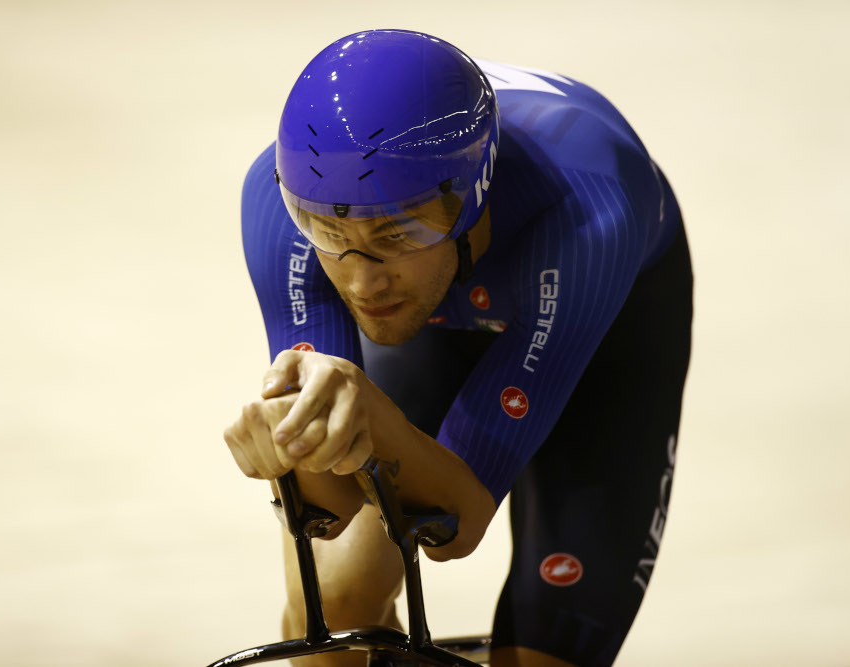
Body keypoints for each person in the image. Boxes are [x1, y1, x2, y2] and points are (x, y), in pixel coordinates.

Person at [226, 29, 692, 667]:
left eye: (397, 233)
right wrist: (295, 448)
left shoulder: (589, 209)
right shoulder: (281, 197)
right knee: (333, 610)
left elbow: (456, 525)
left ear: (474, 194)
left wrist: (368, 421)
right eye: (329, 234)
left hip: (596, 325)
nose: (361, 283)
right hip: (433, 319)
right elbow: (328, 510)